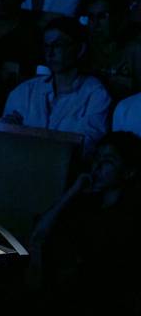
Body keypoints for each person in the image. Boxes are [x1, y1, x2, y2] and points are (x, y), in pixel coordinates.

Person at [29, 131, 141, 313]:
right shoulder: (86, 202)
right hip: (65, 291)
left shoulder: (131, 215)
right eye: (97, 158)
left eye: (108, 161)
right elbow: (38, 234)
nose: (97, 166)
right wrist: (72, 192)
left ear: (129, 172)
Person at [0, 17, 112, 153]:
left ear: (80, 49)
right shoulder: (25, 91)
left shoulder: (96, 94)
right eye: (47, 46)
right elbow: (3, 137)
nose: (50, 53)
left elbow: (87, 145)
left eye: (58, 45)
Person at [82, 0, 141, 99]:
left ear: (117, 18)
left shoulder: (135, 50)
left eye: (102, 16)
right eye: (91, 17)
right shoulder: (82, 48)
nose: (95, 24)